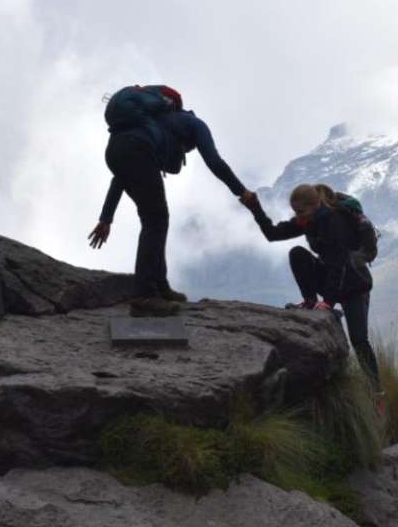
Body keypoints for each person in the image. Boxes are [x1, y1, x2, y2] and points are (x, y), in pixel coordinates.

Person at [88, 85, 257, 317]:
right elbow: (215, 162)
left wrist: (106, 218)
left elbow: (121, 177)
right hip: (139, 152)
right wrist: (242, 192)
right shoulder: (195, 124)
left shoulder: (149, 125)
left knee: (154, 218)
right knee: (156, 220)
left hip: (115, 150)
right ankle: (145, 296)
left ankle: (160, 286)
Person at [240, 183, 381, 392]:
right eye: (295, 212)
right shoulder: (309, 221)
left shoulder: (335, 221)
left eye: (301, 211)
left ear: (315, 204)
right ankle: (309, 300)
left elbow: (338, 263)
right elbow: (273, 234)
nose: (298, 216)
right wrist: (255, 209)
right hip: (332, 281)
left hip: (355, 285)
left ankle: (376, 392)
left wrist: (329, 303)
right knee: (297, 254)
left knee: (359, 340)